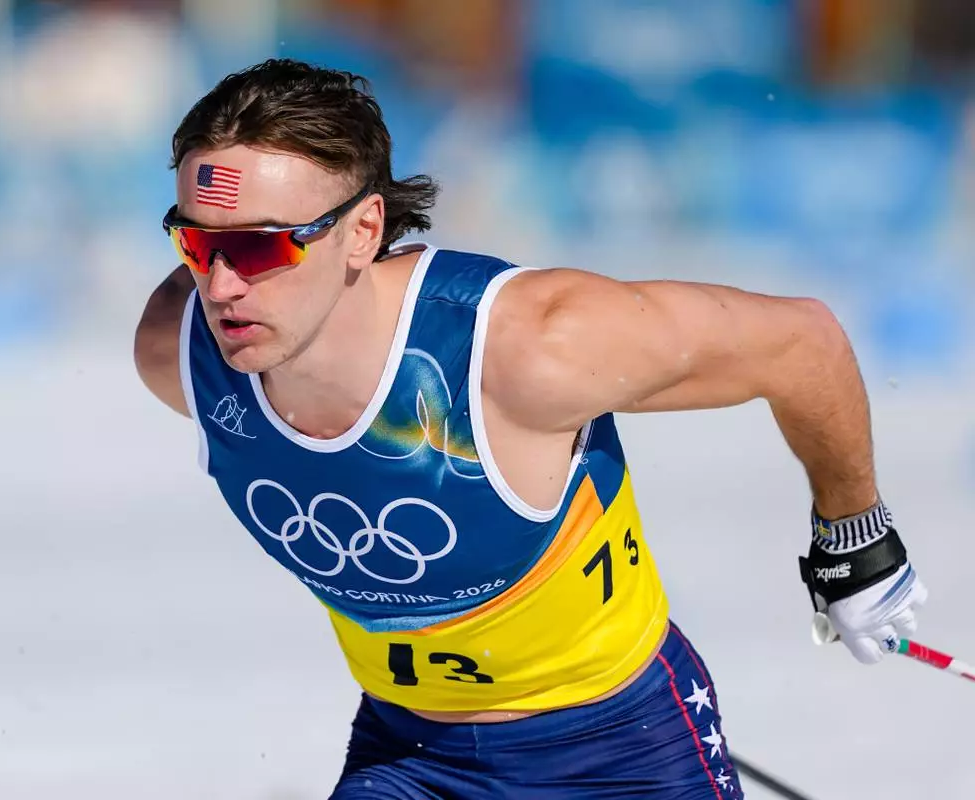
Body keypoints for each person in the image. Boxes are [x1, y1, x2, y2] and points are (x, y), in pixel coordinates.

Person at [134, 58, 928, 799]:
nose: (222, 285)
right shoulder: (178, 354)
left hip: (623, 742)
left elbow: (801, 344)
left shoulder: (526, 350)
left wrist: (854, 534)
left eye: (263, 248)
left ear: (364, 231)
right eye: (197, 242)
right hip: (412, 756)